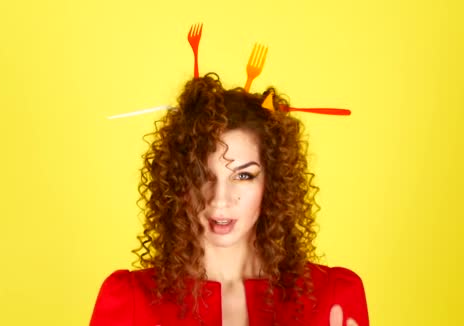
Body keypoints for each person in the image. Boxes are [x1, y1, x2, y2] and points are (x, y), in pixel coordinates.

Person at [90, 73, 369, 326]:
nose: (220, 199)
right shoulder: (130, 300)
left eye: (244, 176)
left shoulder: (335, 295)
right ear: (178, 183)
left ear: (272, 184)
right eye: (202, 176)